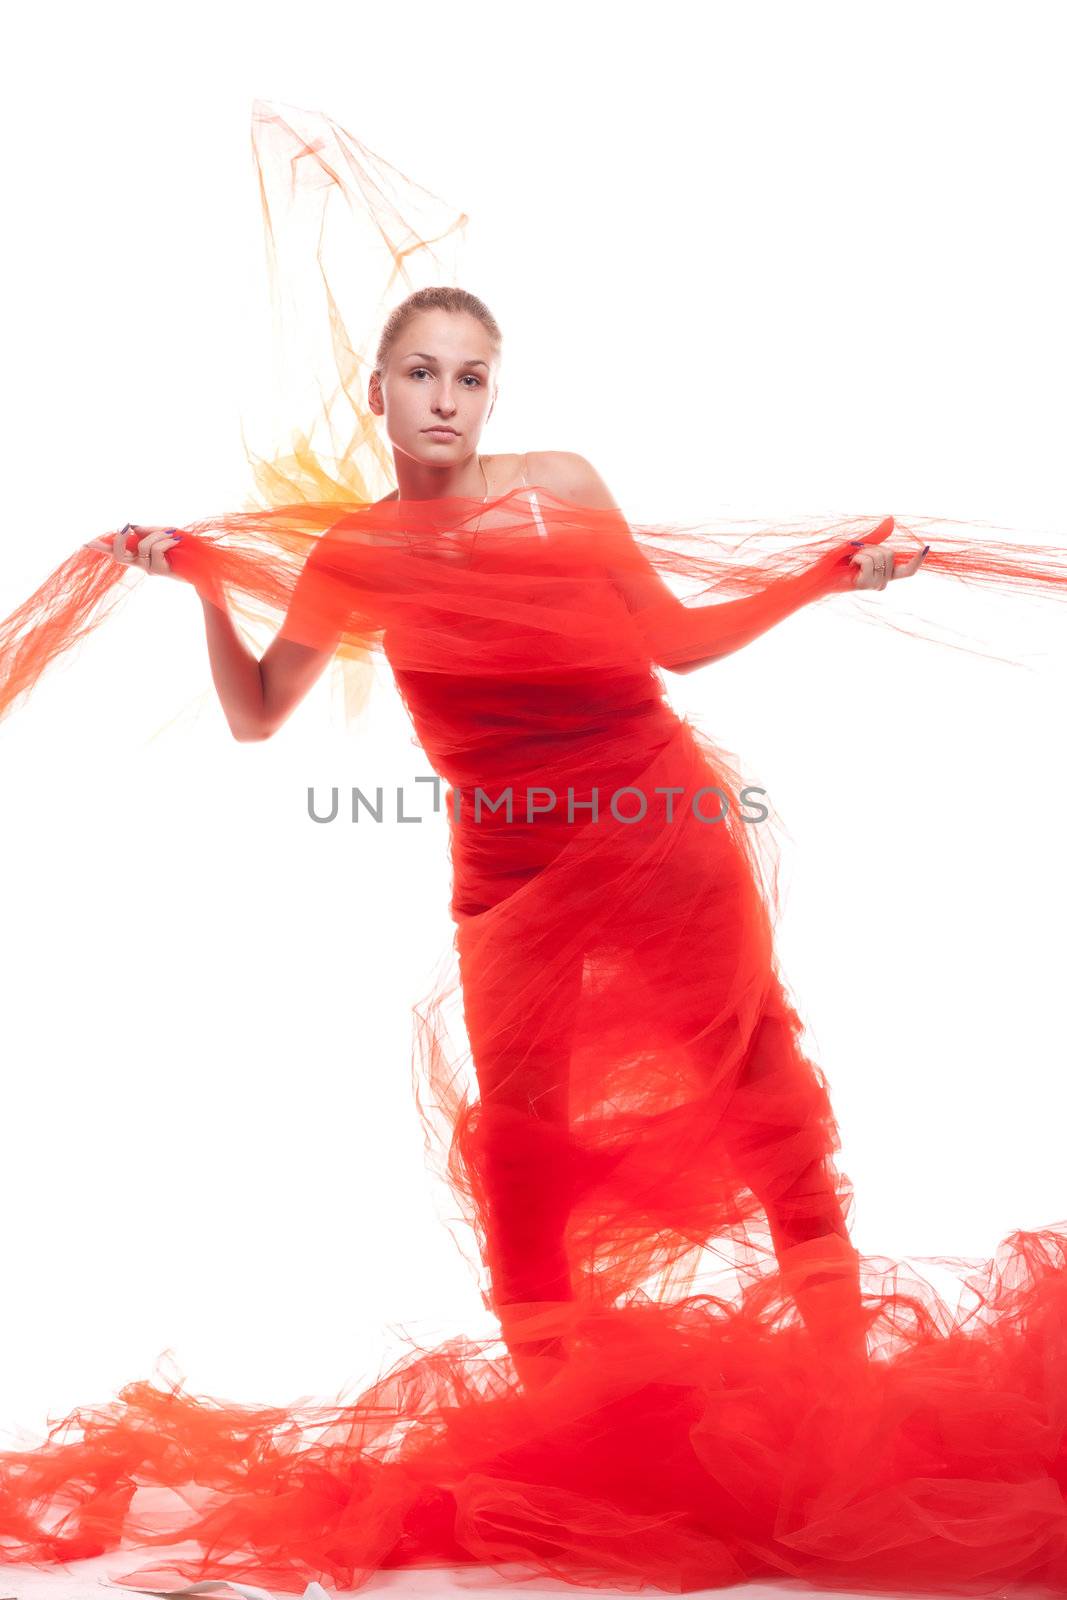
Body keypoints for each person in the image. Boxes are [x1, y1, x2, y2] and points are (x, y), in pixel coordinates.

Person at [2, 102, 1067, 1600]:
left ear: (494, 392)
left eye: (473, 378)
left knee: (757, 1082)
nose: (450, 400)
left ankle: (853, 1403)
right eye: (424, 376)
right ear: (379, 394)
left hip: (655, 817)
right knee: (525, 1147)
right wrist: (195, 591)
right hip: (504, 874)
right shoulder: (353, 553)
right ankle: (562, 1440)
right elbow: (254, 720)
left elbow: (677, 647)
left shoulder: (558, 488)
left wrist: (834, 577)